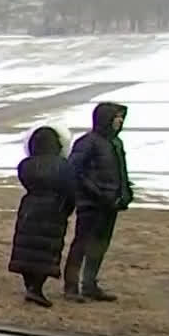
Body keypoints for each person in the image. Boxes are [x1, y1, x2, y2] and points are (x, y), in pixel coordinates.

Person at [63, 101, 131, 302]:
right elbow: (74, 171)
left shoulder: (116, 143)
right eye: (116, 117)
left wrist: (125, 192)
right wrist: (97, 193)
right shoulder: (87, 142)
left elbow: (120, 171)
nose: (120, 121)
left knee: (100, 245)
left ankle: (89, 284)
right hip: (91, 204)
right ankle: (71, 286)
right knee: (82, 244)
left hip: (111, 204)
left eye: (121, 117)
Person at [8, 126, 76, 307]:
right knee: (46, 249)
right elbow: (70, 189)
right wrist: (67, 208)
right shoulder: (63, 166)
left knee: (27, 247)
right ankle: (36, 289)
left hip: (29, 206)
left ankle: (30, 286)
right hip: (54, 208)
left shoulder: (26, 165)